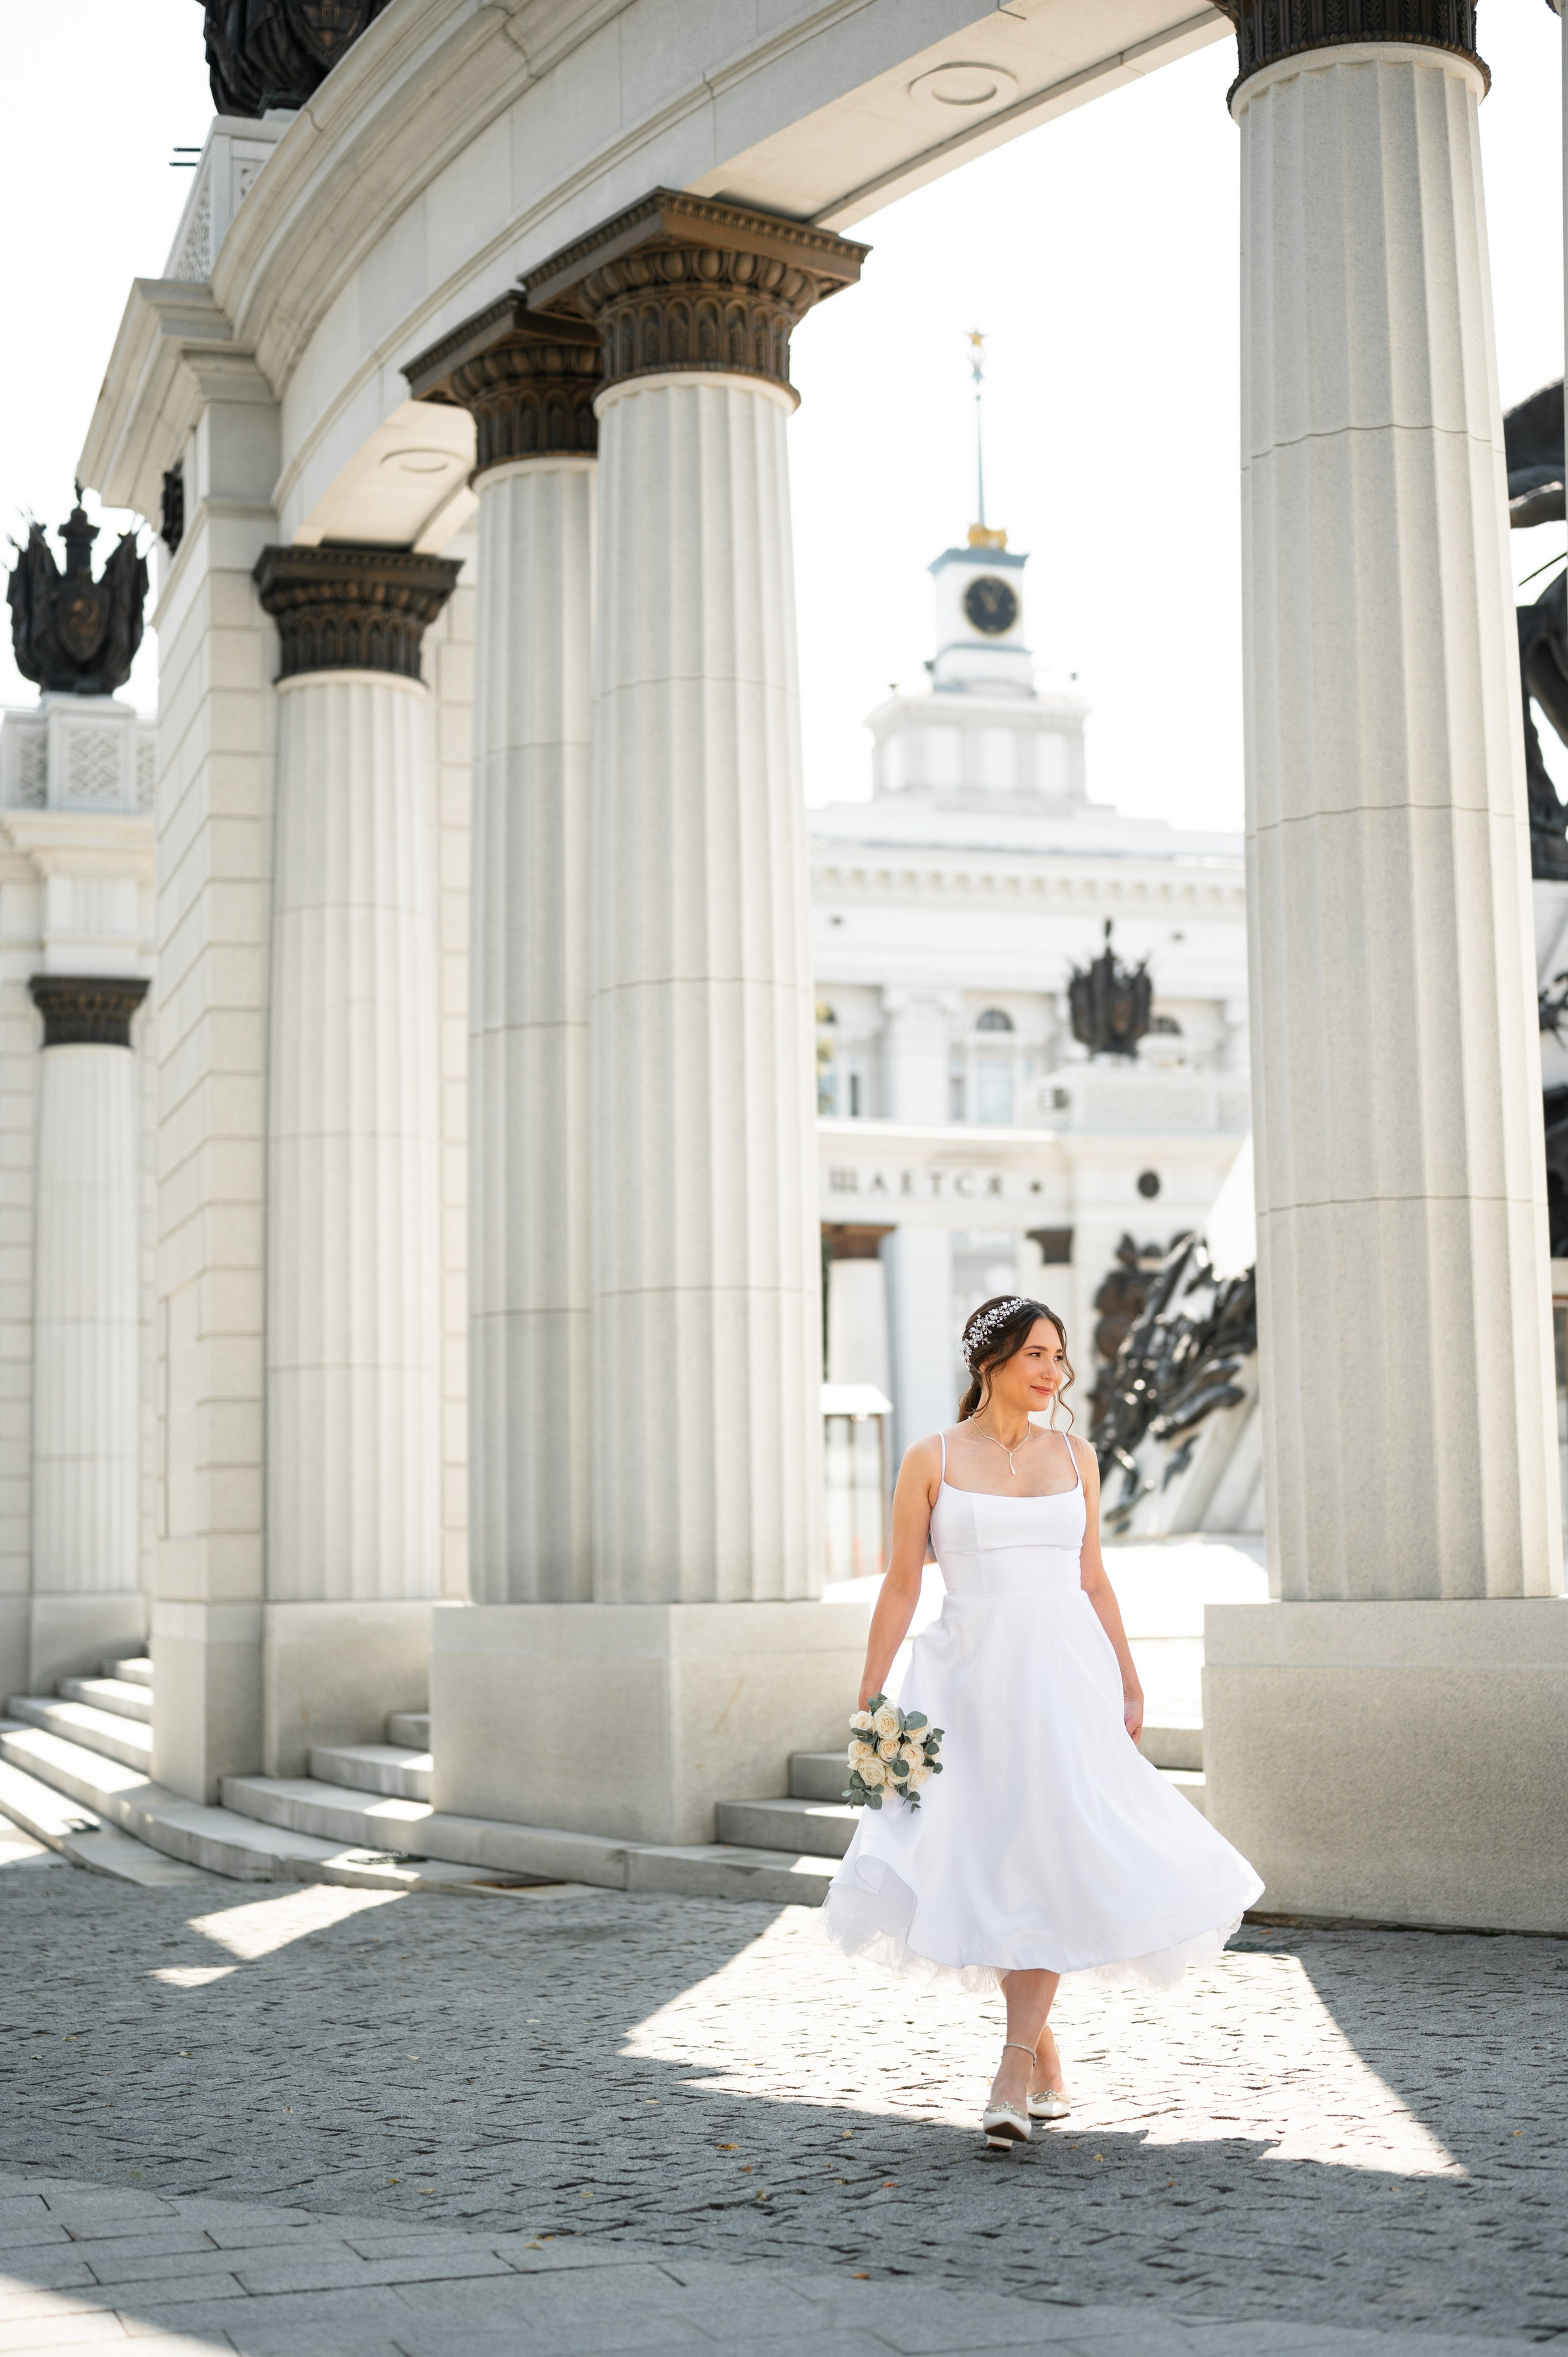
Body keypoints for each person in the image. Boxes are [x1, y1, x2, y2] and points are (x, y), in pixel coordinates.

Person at [821, 1294, 1263, 2150]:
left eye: (1059, 1356)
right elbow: (903, 1584)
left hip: (1066, 1678)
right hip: (964, 1682)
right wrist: (871, 1697)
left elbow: (1092, 1577)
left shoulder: (1076, 1455)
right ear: (989, 1361)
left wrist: (1129, 1676)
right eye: (1035, 1354)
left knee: (1048, 1850)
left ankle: (1014, 2067)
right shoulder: (930, 1457)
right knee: (990, 1858)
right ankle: (1045, 2050)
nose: (1053, 1371)